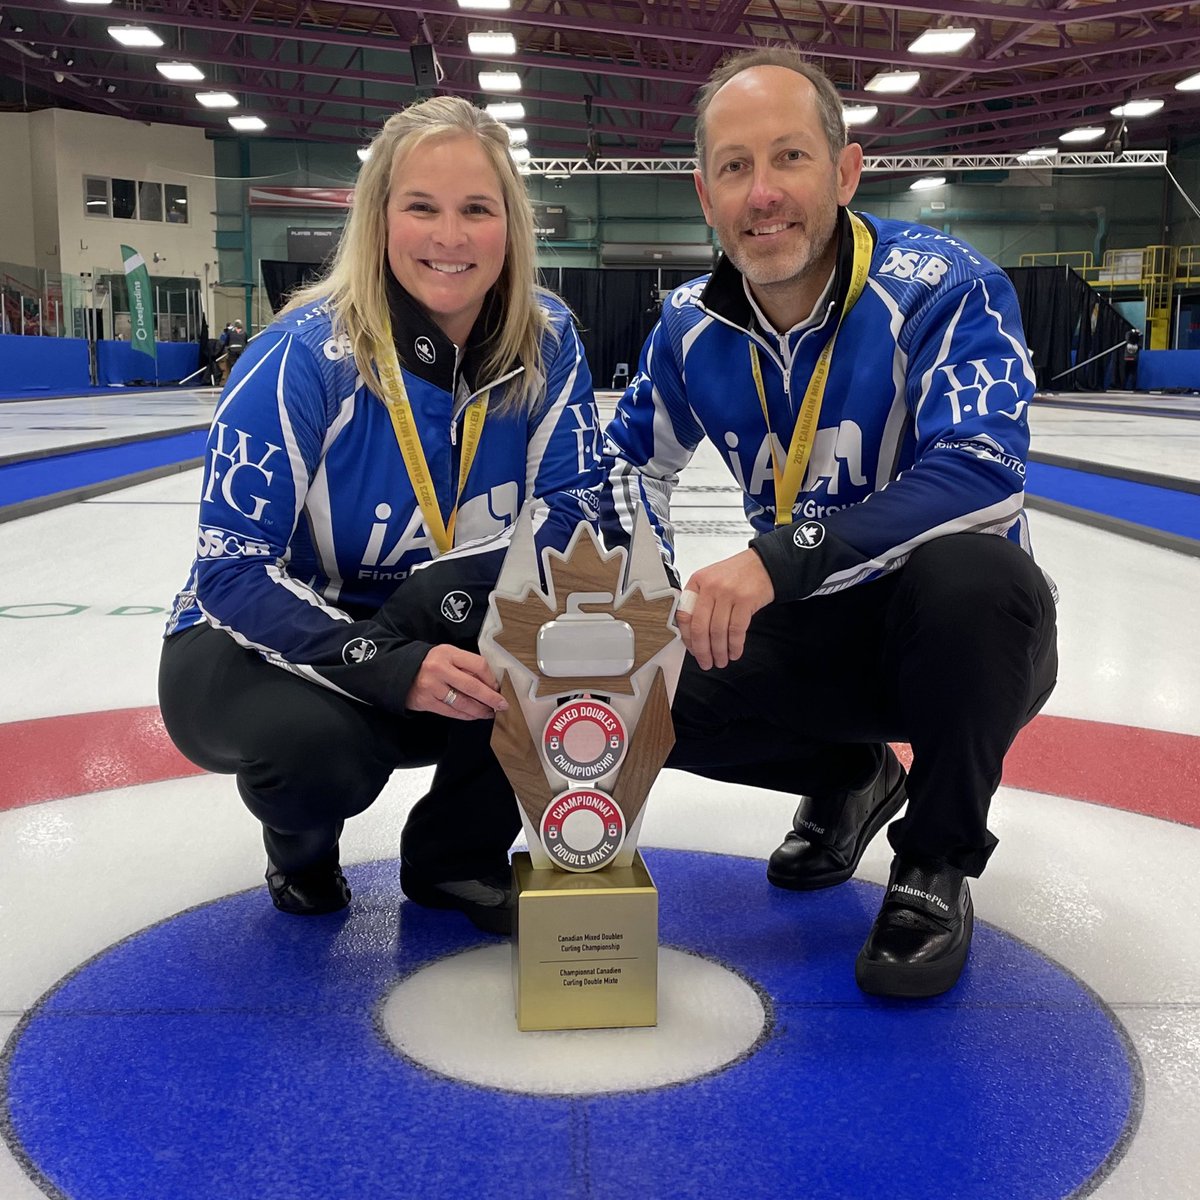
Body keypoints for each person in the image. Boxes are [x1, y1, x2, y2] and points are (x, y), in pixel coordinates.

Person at [599, 48, 1058, 998]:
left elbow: (981, 471)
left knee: (979, 579)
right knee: (632, 683)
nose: (763, 193)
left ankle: (934, 862)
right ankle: (852, 776)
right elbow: (631, 465)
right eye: (735, 167)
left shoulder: (944, 286)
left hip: (951, 639)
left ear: (845, 172)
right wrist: (640, 589)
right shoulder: (687, 325)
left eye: (790, 157)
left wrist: (783, 556)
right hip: (810, 635)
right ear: (706, 195)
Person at [158, 95, 602, 933]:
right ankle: (299, 848)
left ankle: (456, 859)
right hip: (268, 643)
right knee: (317, 753)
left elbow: (578, 519)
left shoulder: (548, 341)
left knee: (575, 629)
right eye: (422, 207)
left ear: (511, 226)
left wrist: (440, 600)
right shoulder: (303, 355)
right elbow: (230, 572)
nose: (451, 236)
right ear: (379, 218)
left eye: (477, 209)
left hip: (438, 625)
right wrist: (387, 661)